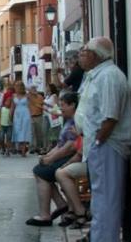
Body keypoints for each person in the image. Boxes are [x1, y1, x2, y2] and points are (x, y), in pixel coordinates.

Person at [74, 37, 131, 242]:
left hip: (107, 146)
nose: (81, 55)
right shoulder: (97, 76)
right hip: (99, 146)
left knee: (106, 201)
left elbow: (110, 116)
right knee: (100, 200)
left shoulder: (108, 76)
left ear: (96, 55)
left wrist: (98, 142)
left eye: (85, 51)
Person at [25, 92, 79, 227]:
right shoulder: (68, 120)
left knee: (41, 172)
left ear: (73, 105)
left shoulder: (77, 121)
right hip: (66, 154)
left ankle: (46, 214)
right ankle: (60, 205)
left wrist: (51, 158)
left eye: (63, 106)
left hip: (72, 157)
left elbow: (70, 147)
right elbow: (61, 145)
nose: (60, 109)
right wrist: (47, 156)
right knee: (40, 169)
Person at [55, 134, 90, 229]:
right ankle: (73, 209)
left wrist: (66, 163)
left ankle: (79, 211)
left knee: (61, 173)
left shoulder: (81, 128)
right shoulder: (78, 129)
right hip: (89, 161)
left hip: (93, 162)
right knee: (60, 172)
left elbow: (80, 153)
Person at [11, 80, 32, 156]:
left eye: (17, 86)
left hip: (25, 114)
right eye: (15, 86)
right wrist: (10, 116)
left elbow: (30, 105)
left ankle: (23, 150)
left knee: (24, 130)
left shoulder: (27, 95)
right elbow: (12, 107)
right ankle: (20, 148)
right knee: (17, 130)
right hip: (17, 114)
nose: (16, 87)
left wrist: (31, 115)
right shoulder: (14, 95)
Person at [28, 85, 47, 153]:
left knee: (39, 132)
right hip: (31, 116)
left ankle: (38, 147)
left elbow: (43, 104)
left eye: (35, 88)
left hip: (39, 116)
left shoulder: (40, 97)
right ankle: (32, 147)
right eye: (32, 88)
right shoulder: (28, 97)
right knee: (32, 133)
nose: (34, 90)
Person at [44, 84, 62, 153]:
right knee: (46, 131)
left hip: (52, 115)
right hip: (46, 115)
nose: (46, 88)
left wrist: (45, 104)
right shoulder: (47, 96)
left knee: (52, 131)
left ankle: (51, 146)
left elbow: (55, 105)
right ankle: (48, 146)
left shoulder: (54, 96)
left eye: (47, 87)